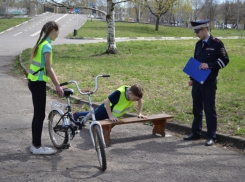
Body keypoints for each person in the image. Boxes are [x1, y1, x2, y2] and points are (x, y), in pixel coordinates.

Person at [183, 20, 229, 146]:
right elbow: (196, 62)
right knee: (197, 108)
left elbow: (225, 60)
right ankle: (196, 133)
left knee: (209, 109)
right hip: (197, 81)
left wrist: (209, 65)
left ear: (204, 29)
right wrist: (192, 78)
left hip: (209, 81)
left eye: (198, 31)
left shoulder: (217, 43)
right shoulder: (198, 44)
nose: (196, 34)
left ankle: (211, 136)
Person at [28, 21, 64, 154]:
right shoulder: (47, 46)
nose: (58, 34)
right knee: (40, 115)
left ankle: (34, 144)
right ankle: (37, 146)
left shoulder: (40, 43)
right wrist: (57, 85)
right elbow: (49, 69)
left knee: (37, 114)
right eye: (58, 31)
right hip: (38, 83)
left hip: (33, 81)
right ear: (53, 30)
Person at [73, 84, 147, 122]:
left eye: (136, 100)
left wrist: (139, 113)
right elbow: (107, 101)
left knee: (93, 116)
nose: (135, 101)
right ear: (130, 93)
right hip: (105, 110)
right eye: (135, 99)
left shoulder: (134, 92)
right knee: (94, 117)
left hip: (113, 113)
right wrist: (110, 116)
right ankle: (77, 115)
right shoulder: (119, 93)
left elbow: (140, 99)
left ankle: (80, 116)